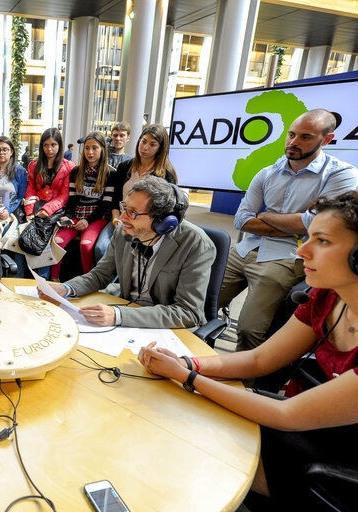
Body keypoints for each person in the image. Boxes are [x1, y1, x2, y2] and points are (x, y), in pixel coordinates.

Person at [138, 190, 358, 510]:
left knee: (208, 451)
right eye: (306, 238)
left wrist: (187, 377)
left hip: (340, 460)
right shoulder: (325, 299)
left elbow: (286, 415)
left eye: (322, 241)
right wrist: (189, 362)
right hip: (316, 424)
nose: (302, 252)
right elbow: (260, 358)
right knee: (198, 417)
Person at [219, 109, 358, 352]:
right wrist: (292, 223)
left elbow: (316, 224)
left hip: (286, 257)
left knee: (249, 329)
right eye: (291, 134)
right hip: (244, 249)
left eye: (305, 137)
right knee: (196, 305)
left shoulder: (340, 174)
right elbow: (241, 219)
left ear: (326, 139)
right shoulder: (267, 172)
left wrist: (266, 216)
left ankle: (245, 386)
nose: (293, 142)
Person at [42, 176, 215, 329]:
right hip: (125, 315)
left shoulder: (196, 245)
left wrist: (118, 315)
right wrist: (65, 288)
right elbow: (100, 275)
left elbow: (188, 312)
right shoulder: (123, 232)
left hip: (166, 329)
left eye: (133, 212)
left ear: (162, 221)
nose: (122, 218)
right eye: (125, 207)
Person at [95, 123, 176, 262]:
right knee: (101, 248)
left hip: (145, 225)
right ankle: (106, 281)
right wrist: (115, 219)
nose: (145, 147)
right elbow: (115, 198)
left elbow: (164, 210)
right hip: (120, 218)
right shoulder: (124, 166)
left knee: (133, 255)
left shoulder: (165, 175)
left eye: (152, 144)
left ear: (160, 149)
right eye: (143, 141)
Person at [51, 132, 121, 280]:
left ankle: (87, 281)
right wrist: (68, 216)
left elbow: (105, 204)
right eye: (87, 148)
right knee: (57, 242)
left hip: (97, 217)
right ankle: (54, 280)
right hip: (76, 216)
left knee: (86, 245)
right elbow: (72, 200)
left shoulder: (111, 173)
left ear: (102, 149)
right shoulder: (76, 171)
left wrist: (88, 220)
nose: (90, 152)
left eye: (95, 148)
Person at [24, 127, 74, 278]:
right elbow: (31, 190)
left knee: (45, 242)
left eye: (53, 145)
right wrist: (30, 213)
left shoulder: (69, 167)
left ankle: (44, 281)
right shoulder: (34, 165)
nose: (49, 149)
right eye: (45, 145)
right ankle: (20, 277)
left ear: (59, 145)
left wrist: (48, 209)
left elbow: (64, 195)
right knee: (22, 237)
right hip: (35, 209)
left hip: (56, 211)